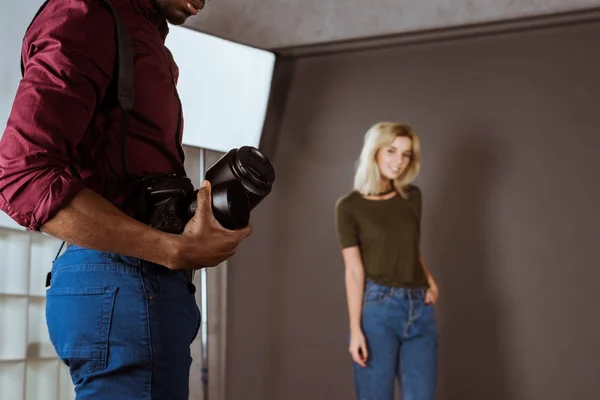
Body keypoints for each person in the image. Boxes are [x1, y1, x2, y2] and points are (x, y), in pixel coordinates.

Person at [0, 0, 251, 399]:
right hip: (125, 280)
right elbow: (23, 175)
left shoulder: (136, 31)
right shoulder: (85, 17)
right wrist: (172, 249)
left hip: (131, 283)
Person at [334, 122, 440, 400]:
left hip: (420, 312)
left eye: (406, 154)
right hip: (379, 311)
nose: (399, 161)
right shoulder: (349, 207)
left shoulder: (411, 197)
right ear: (375, 152)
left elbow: (410, 247)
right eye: (392, 151)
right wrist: (355, 329)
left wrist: (428, 280)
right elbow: (354, 270)